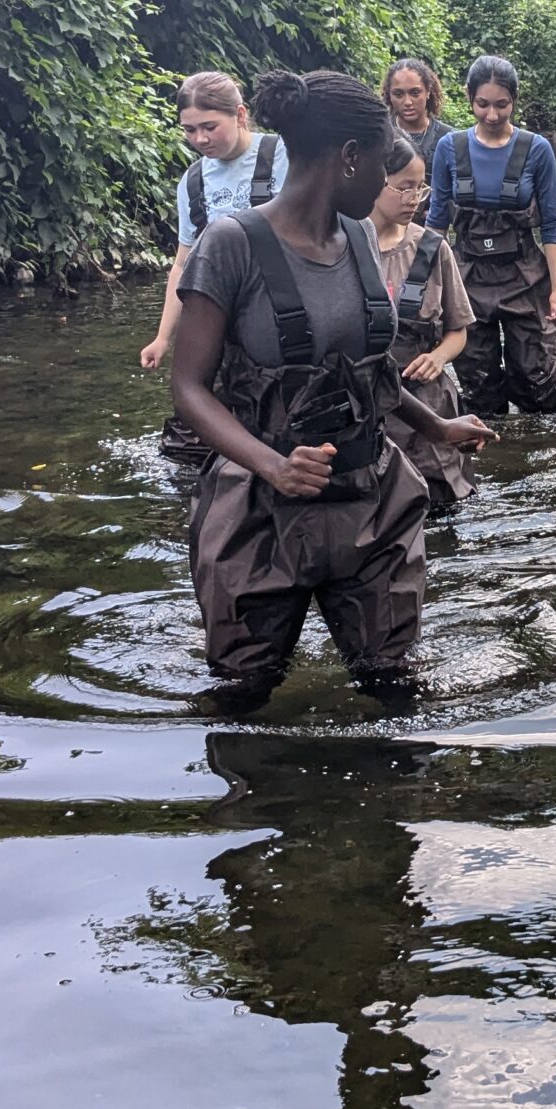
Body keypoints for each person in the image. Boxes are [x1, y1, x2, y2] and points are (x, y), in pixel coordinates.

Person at [169, 70, 494, 710]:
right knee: (242, 699)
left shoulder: (360, 238)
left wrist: (437, 430)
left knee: (396, 691)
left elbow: (365, 370)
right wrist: (272, 465)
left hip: (373, 500)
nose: (385, 183)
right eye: (379, 164)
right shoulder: (229, 245)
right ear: (349, 158)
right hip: (259, 513)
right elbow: (188, 388)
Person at [144, 72, 291, 469]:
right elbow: (183, 264)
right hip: (222, 313)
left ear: (240, 114)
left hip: (283, 305)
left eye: (210, 127)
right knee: (197, 430)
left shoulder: (284, 155)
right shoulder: (192, 181)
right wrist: (163, 338)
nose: (200, 139)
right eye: (190, 130)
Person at [428, 56, 556, 417]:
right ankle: (493, 456)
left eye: (501, 104)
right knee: (478, 386)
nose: (492, 115)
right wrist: (426, 285)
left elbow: (552, 224)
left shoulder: (537, 149)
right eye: (483, 104)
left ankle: (541, 459)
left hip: (525, 276)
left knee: (538, 380)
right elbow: (436, 223)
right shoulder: (449, 148)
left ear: (515, 100)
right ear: (469, 98)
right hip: (466, 279)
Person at [372, 133, 478, 515]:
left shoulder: (432, 248)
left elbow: (458, 330)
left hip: (428, 398)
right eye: (403, 188)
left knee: (442, 507)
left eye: (420, 188)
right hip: (368, 401)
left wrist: (438, 357)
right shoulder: (341, 246)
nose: (414, 199)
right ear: (372, 181)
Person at [383, 58, 456, 164]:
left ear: (428, 92)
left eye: (415, 93)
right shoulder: (380, 135)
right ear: (389, 95)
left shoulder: (450, 139)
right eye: (398, 94)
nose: (407, 102)